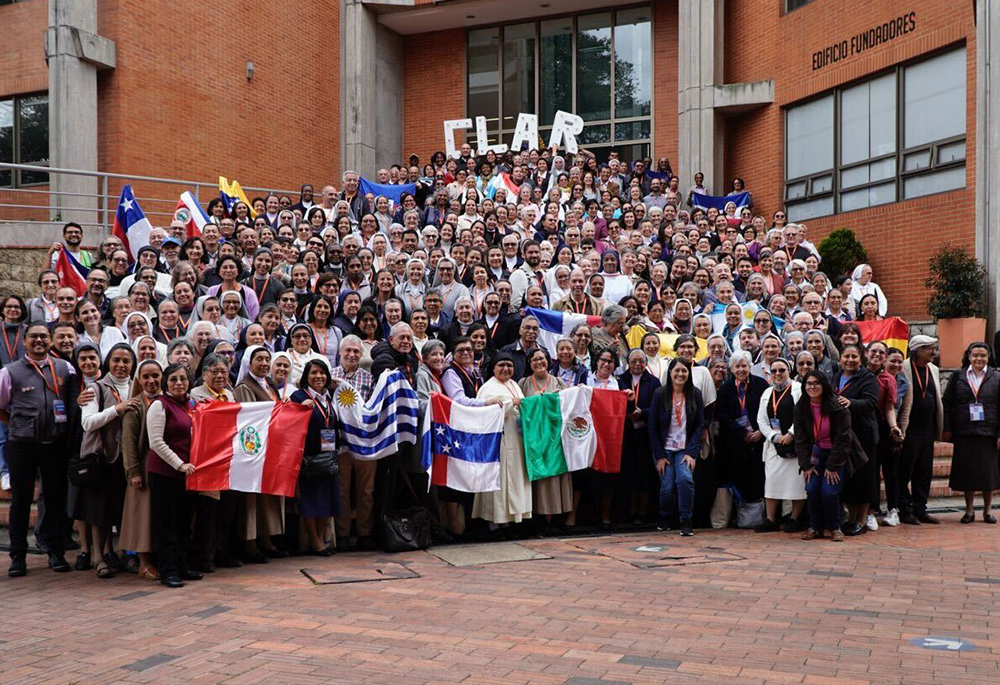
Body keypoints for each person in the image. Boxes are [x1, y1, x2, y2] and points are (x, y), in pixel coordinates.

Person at [2, 323, 75, 577]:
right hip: (22, 445)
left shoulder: (64, 368)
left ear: (50, 340)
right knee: (20, 502)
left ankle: (55, 552)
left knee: (54, 500)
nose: (39, 340)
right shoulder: (9, 372)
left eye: (44, 336)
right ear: (24, 340)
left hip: (54, 444)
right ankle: (18, 556)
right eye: (33, 336)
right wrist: (17, 424)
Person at [78, 343, 139, 578]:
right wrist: (117, 409)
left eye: (126, 361)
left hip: (129, 459)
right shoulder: (95, 388)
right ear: (108, 363)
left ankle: (127, 554)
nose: (121, 365)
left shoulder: (137, 386)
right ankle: (99, 557)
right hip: (104, 458)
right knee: (100, 511)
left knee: (125, 510)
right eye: (116, 360)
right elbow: (88, 422)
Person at [794, 371, 867, 542]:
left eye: (816, 383)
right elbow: (800, 438)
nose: (812, 387)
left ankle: (834, 527)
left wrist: (833, 466)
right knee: (811, 489)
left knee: (829, 491)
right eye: (808, 383)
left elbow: (844, 438)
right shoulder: (801, 406)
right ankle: (815, 527)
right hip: (814, 455)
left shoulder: (837, 406)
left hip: (836, 455)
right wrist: (806, 465)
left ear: (824, 385)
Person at [233, 346, 287, 561]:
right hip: (253, 450)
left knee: (267, 497)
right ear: (249, 362)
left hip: (270, 448)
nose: (264, 363)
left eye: (267, 359)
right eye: (259, 359)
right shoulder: (244, 386)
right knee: (251, 499)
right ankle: (250, 544)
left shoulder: (270, 383)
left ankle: (266, 539)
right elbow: (248, 419)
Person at [943, 342, 1000, 524]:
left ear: (988, 357)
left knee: (987, 474)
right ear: (968, 356)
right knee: (967, 473)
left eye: (983, 355)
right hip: (964, 431)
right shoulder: (958, 376)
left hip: (988, 432)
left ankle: (987, 511)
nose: (979, 359)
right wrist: (947, 428)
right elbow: (948, 404)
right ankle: (969, 511)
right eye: (975, 355)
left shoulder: (996, 376)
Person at [473, 354, 532, 527]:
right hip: (499, 442)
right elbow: (484, 414)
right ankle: (494, 521)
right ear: (493, 367)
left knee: (515, 480)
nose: (506, 369)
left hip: (517, 439)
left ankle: (510, 519)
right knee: (500, 479)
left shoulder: (514, 384)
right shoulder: (488, 388)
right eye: (502, 365)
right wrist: (509, 405)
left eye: (509, 365)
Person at [648, 357, 704, 536]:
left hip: (684, 449)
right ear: (670, 373)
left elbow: (699, 425)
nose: (680, 374)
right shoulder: (659, 393)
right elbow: (652, 426)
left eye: (684, 371)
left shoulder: (695, 394)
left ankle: (686, 521)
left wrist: (692, 453)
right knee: (667, 486)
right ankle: (664, 517)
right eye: (677, 371)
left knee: (685, 480)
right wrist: (659, 456)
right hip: (664, 449)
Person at [330, 335, 376, 550]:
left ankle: (365, 533)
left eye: (356, 351)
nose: (351, 355)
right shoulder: (330, 377)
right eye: (347, 351)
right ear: (339, 352)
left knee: (366, 491)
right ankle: (343, 533)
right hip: (341, 444)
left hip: (366, 443)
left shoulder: (369, 378)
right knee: (342, 489)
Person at [291, 359, 341, 556]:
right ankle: (314, 540)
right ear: (306, 377)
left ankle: (321, 537)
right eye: (314, 373)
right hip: (309, 458)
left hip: (328, 457)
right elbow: (289, 423)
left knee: (327, 499)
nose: (318, 376)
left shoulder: (327, 398)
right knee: (311, 500)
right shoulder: (298, 396)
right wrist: (300, 409)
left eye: (322, 373)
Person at [519, 348, 573, 525]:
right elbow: (518, 410)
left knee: (554, 479)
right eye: (534, 360)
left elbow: (569, 407)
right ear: (530, 363)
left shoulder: (558, 382)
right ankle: (537, 517)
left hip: (555, 441)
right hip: (533, 441)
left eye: (542, 359)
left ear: (548, 361)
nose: (538, 362)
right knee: (538, 479)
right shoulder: (523, 383)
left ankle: (555, 516)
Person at [833, 344, 881, 536]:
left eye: (854, 356)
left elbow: (871, 402)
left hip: (864, 437)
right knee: (850, 481)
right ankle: (850, 520)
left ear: (861, 359)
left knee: (864, 479)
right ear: (840, 359)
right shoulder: (836, 377)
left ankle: (861, 520)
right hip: (844, 436)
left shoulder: (868, 378)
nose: (850, 360)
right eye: (846, 356)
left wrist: (850, 402)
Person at [755, 357, 806, 532]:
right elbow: (761, 419)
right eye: (774, 370)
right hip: (774, 445)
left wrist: (791, 433)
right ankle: (770, 519)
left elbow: (802, 415)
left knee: (796, 484)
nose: (778, 374)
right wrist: (774, 436)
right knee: (772, 482)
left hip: (795, 444)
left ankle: (794, 518)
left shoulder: (798, 389)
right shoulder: (767, 393)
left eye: (782, 370)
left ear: (789, 371)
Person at [897, 335, 944, 525]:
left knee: (924, 472)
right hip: (909, 429)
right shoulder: (904, 367)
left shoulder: (933, 369)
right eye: (928, 348)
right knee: (904, 472)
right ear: (916, 350)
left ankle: (920, 509)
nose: (933, 352)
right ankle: (905, 509)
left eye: (934, 348)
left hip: (928, 430)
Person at [716, 351, 768, 507]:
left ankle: (760, 512)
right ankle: (742, 513)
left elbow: (768, 411)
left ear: (750, 366)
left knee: (759, 476)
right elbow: (722, 416)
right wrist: (742, 433)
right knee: (739, 476)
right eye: (737, 366)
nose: (741, 370)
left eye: (744, 365)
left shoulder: (761, 384)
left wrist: (760, 431)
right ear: (731, 369)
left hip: (759, 438)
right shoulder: (725, 389)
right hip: (736, 441)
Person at [617, 348, 661, 524]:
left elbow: (658, 407)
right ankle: (628, 510)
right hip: (625, 432)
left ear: (646, 363)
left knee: (644, 473)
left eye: (641, 361)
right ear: (628, 362)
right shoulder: (620, 380)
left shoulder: (653, 382)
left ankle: (642, 512)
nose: (637, 364)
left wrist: (642, 413)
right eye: (633, 361)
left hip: (645, 432)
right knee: (628, 472)